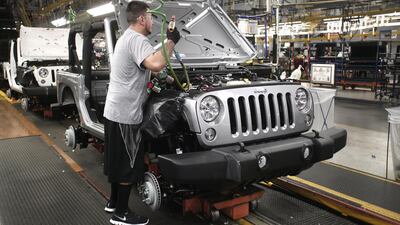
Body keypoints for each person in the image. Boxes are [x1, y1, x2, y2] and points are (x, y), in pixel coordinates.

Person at [102, 1, 180, 225]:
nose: (153, 22)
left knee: (117, 160)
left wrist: (162, 78)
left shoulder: (126, 37)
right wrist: (172, 41)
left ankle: (113, 202)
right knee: (129, 163)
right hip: (126, 114)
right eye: (151, 18)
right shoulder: (137, 39)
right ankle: (121, 214)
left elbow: (144, 69)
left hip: (115, 110)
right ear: (142, 19)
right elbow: (155, 63)